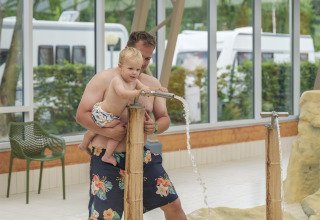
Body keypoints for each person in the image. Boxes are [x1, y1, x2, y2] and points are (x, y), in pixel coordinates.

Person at [76, 31, 187, 220]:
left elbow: (164, 118)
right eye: (139, 55)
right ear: (127, 50)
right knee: (104, 217)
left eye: (147, 58)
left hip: (141, 155)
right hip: (106, 158)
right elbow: (81, 115)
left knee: (174, 206)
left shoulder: (151, 83)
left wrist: (156, 127)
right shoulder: (104, 79)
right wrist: (109, 131)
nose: (142, 63)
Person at [78, 47, 158, 166]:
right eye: (130, 69)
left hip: (106, 114)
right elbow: (122, 94)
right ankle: (107, 156)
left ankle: (84, 144)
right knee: (119, 131)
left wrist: (158, 89)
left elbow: (145, 88)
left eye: (137, 69)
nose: (134, 72)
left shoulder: (134, 82)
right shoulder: (117, 80)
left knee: (97, 128)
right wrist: (137, 92)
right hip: (105, 114)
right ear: (120, 67)